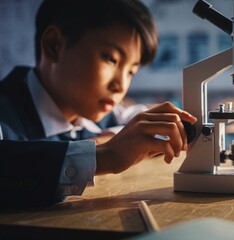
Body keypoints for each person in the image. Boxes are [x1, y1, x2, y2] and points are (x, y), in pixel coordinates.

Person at [0, 0, 197, 207]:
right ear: (54, 45)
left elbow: (135, 119)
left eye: (131, 71)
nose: (120, 85)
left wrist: (110, 139)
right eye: (111, 59)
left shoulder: (91, 113)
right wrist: (104, 156)